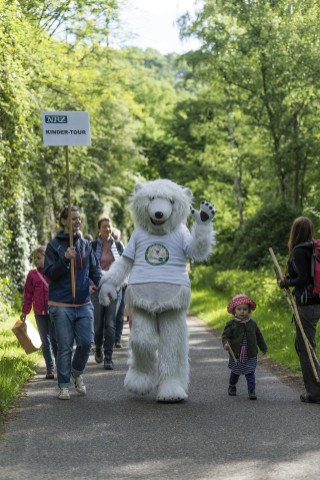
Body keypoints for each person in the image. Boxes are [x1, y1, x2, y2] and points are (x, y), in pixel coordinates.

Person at [44, 205, 102, 400]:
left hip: (84, 303)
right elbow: (50, 273)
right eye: (73, 218)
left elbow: (94, 270)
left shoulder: (86, 244)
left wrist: (101, 285)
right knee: (65, 346)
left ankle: (76, 372)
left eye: (79, 218)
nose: (77, 221)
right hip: (61, 304)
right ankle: (63, 385)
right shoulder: (54, 246)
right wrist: (65, 259)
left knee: (86, 343)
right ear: (63, 221)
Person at [279, 216, 320, 404]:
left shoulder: (298, 251)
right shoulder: (314, 248)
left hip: (307, 305)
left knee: (306, 347)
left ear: (294, 231)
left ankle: (314, 393)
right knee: (302, 345)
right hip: (317, 302)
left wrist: (285, 282)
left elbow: (303, 279)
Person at [91, 218, 124, 369]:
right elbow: (88, 267)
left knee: (110, 324)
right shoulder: (91, 245)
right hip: (96, 289)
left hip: (113, 289)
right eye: (104, 227)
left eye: (109, 227)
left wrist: (119, 283)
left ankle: (108, 357)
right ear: (99, 229)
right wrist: (90, 284)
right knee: (98, 324)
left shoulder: (118, 245)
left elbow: (125, 266)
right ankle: (98, 346)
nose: (107, 230)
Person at [21, 246, 57, 379]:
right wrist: (25, 311)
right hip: (38, 312)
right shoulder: (32, 275)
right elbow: (28, 294)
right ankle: (50, 367)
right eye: (34, 258)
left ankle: (61, 365)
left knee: (54, 340)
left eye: (38, 258)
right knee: (44, 340)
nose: (35, 260)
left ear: (46, 258)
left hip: (53, 310)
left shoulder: (52, 272)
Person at [222, 294, 267, 400]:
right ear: (234, 311)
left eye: (245, 309)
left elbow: (259, 336)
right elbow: (225, 336)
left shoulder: (252, 323)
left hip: (250, 354)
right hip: (236, 354)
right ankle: (232, 386)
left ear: (249, 310)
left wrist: (263, 347)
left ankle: (251, 390)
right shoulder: (231, 324)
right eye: (239, 309)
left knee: (250, 372)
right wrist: (226, 343)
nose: (242, 311)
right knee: (235, 372)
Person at [112, 227, 126, 348]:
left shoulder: (121, 246)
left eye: (116, 237)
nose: (114, 240)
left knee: (119, 313)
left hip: (121, 284)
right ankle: (110, 338)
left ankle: (117, 338)